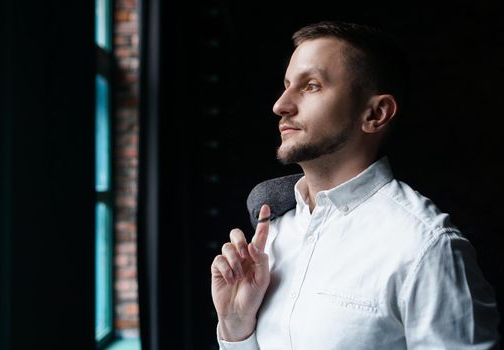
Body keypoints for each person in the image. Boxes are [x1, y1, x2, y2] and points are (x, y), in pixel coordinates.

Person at [210, 20, 500, 349]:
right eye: (287, 84)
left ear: (375, 113)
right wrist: (236, 328)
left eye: (311, 86)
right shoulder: (274, 232)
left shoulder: (427, 248)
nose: (281, 105)